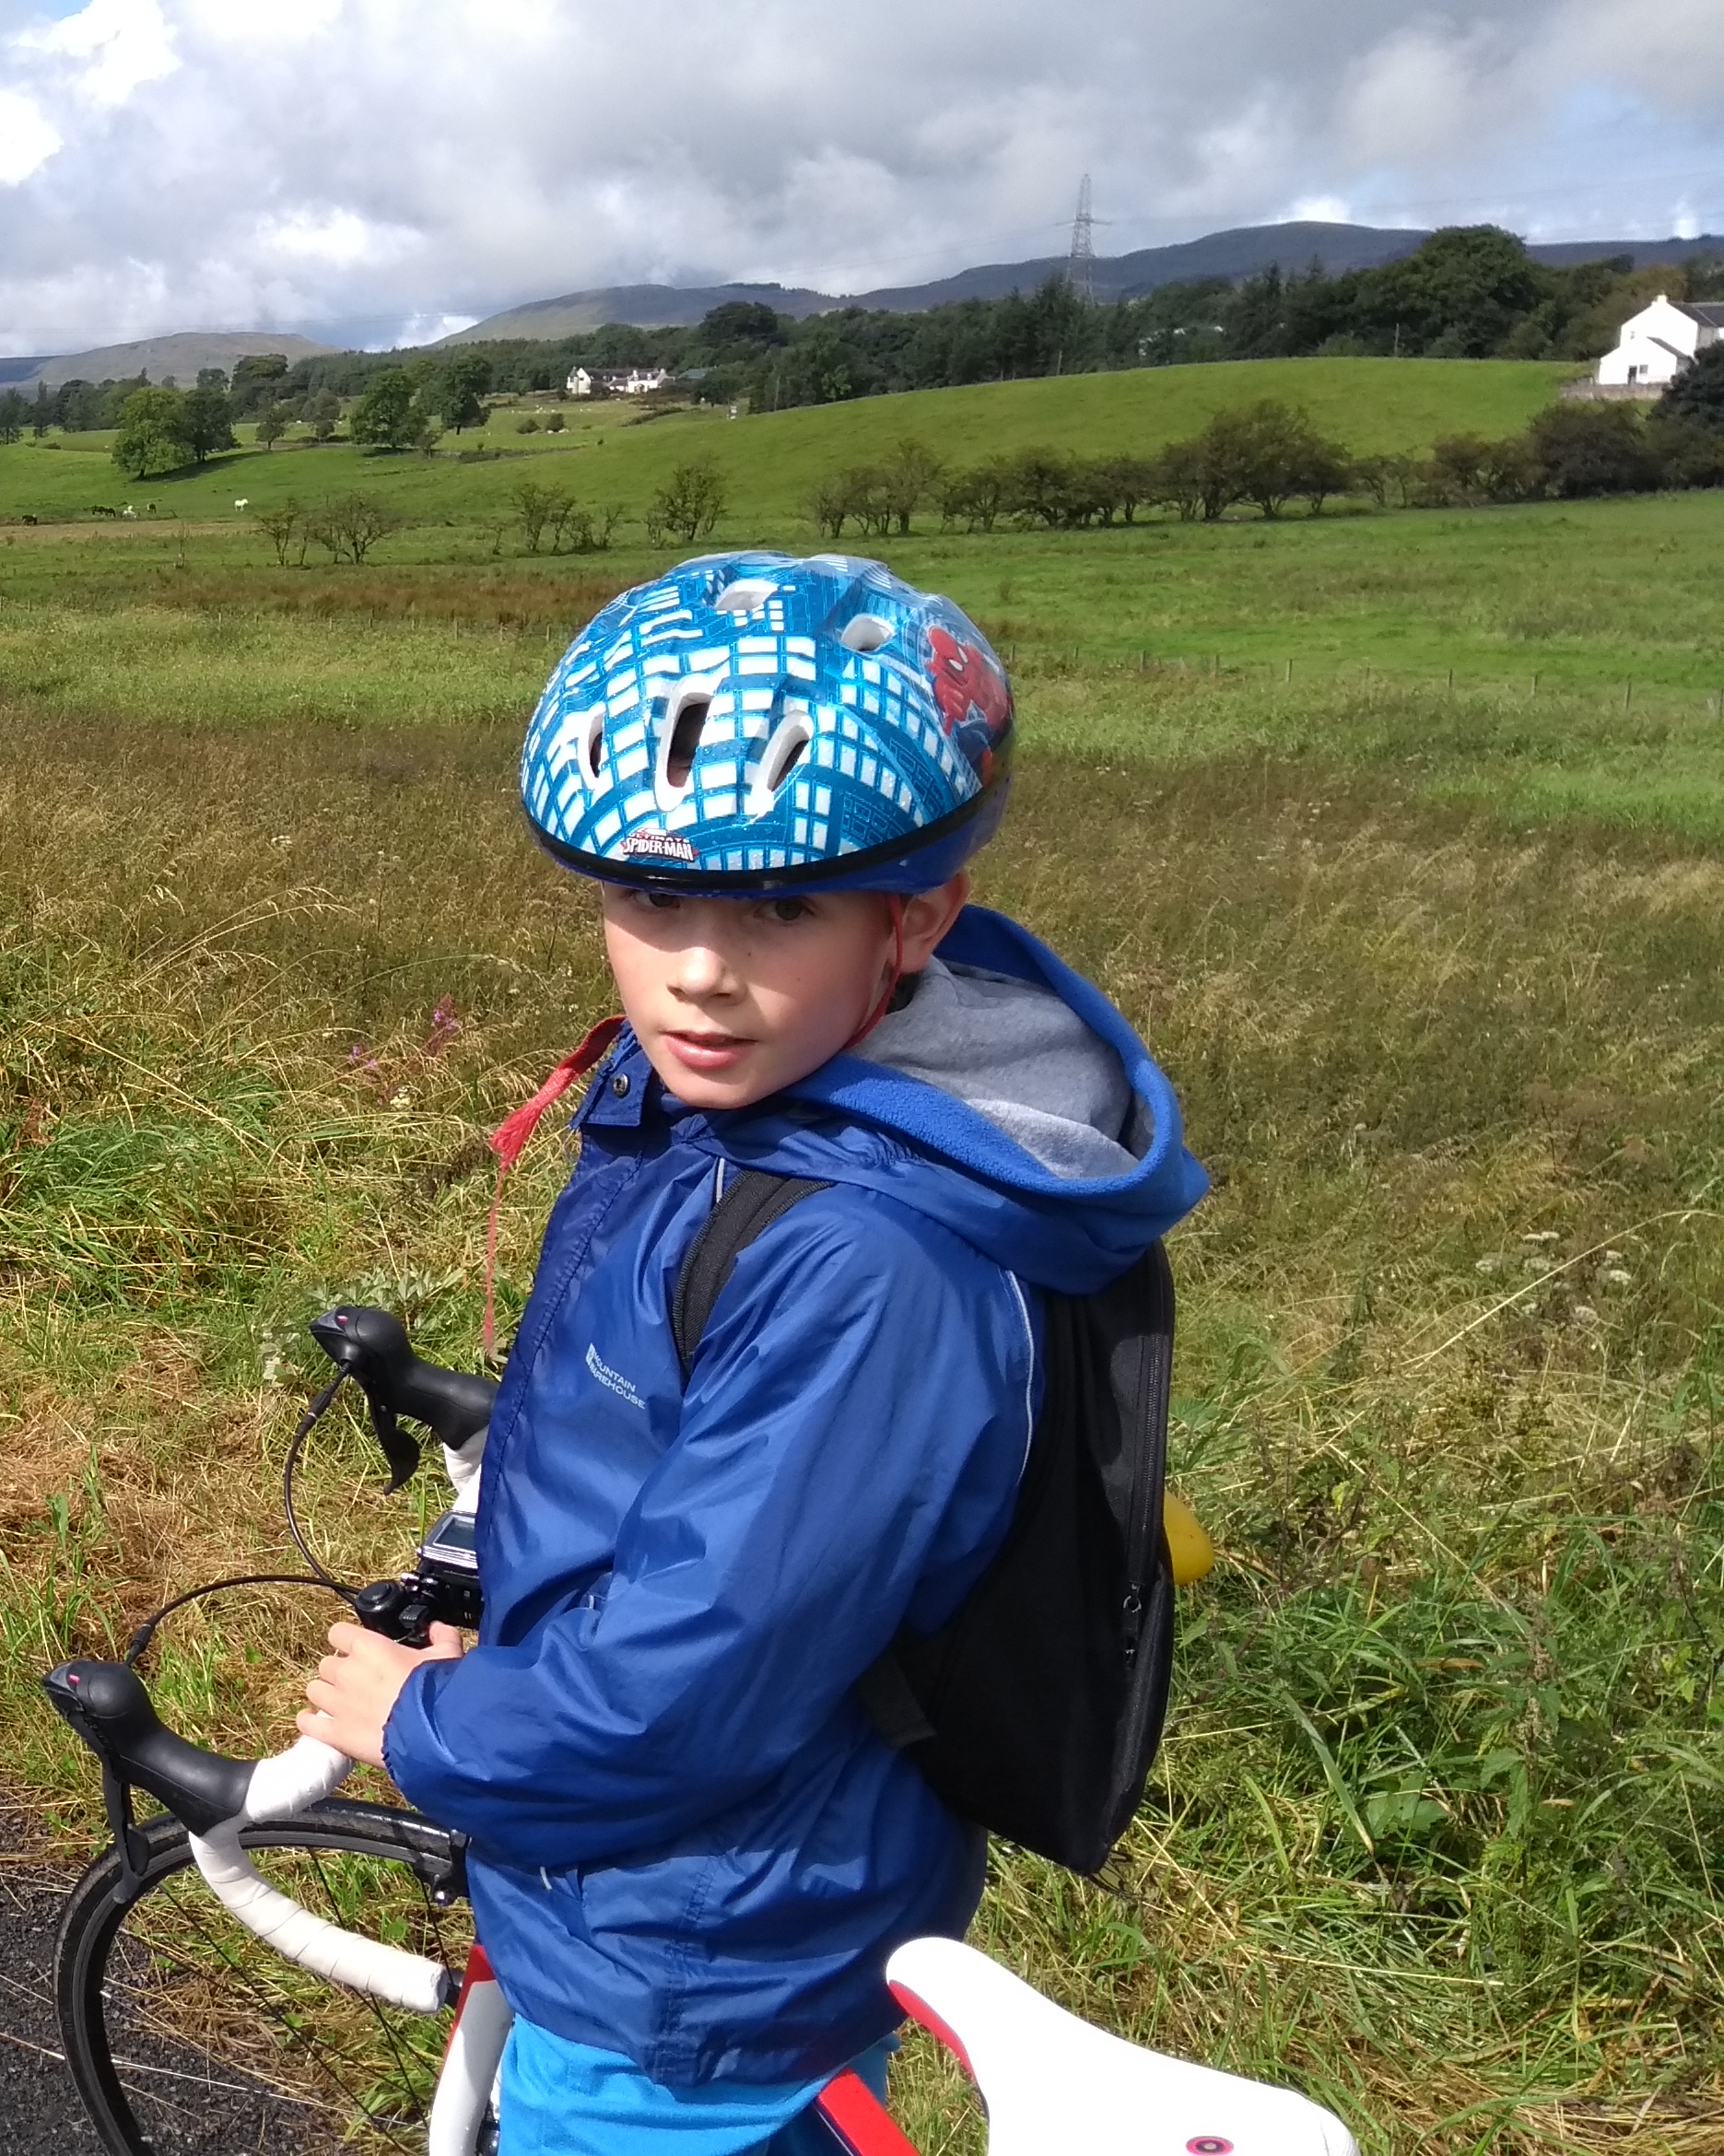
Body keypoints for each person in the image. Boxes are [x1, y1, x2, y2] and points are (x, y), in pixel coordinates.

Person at [294, 553, 1208, 2155]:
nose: (700, 969)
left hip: (691, 1949)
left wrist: (428, 1729)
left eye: (781, 909)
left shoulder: (872, 1257)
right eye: (652, 900)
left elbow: (697, 1674)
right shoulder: (741, 1098)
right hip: (676, 1874)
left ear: (918, 917)